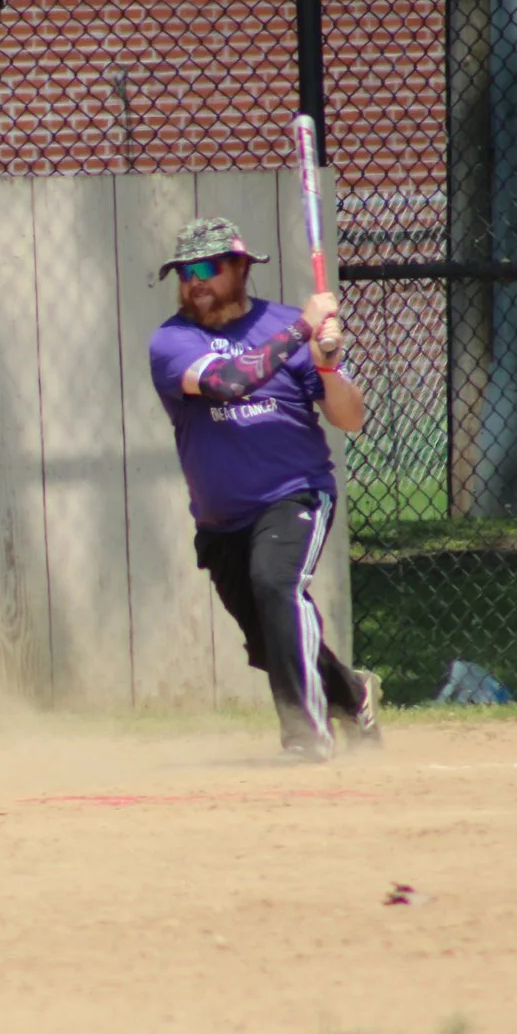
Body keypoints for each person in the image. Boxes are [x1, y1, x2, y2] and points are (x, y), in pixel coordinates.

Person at [148, 217, 379, 761]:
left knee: (276, 586)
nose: (194, 282)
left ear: (239, 269)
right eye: (184, 272)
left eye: (207, 268)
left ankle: (306, 737)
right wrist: (302, 330)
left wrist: (327, 369)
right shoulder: (173, 341)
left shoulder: (281, 325)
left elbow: (350, 419)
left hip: (294, 492)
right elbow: (227, 382)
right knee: (269, 638)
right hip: (222, 519)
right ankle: (353, 695)